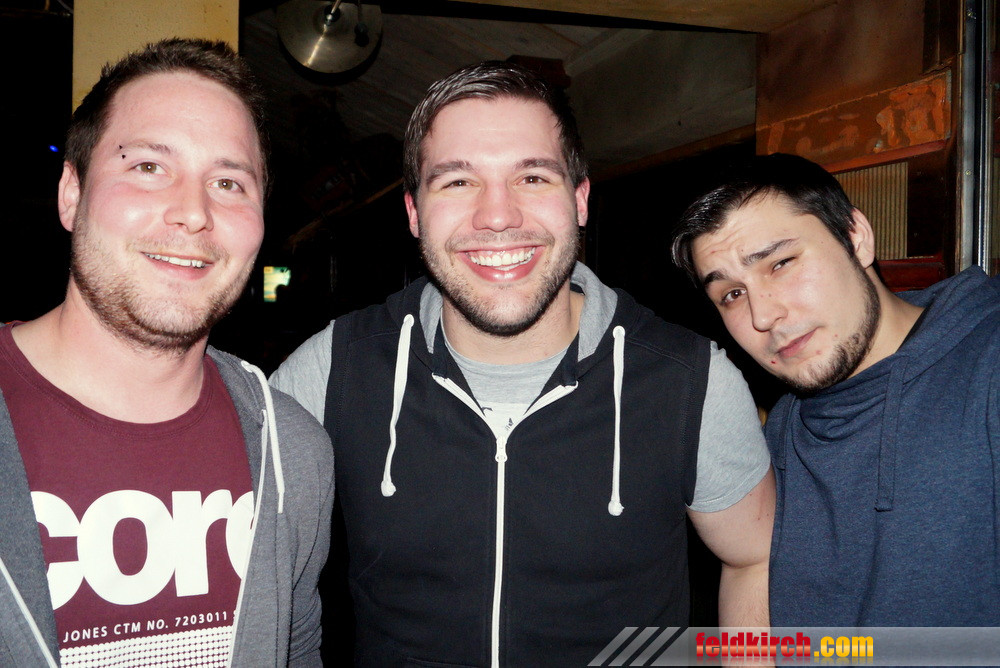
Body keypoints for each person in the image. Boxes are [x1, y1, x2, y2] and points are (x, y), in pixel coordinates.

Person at [271, 61, 773, 666]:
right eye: (458, 181)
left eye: (532, 177)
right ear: (413, 212)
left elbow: (754, 557)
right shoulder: (334, 368)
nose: (498, 215)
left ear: (580, 200)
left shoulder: (690, 380)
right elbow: (245, 556)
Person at [0, 39, 334, 666]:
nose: (193, 213)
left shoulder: (294, 453)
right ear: (71, 193)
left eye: (228, 182)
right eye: (149, 167)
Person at [671, 152, 1000, 626]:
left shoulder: (986, 363)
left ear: (855, 237)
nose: (763, 316)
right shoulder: (783, 429)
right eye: (732, 294)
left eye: (780, 263)